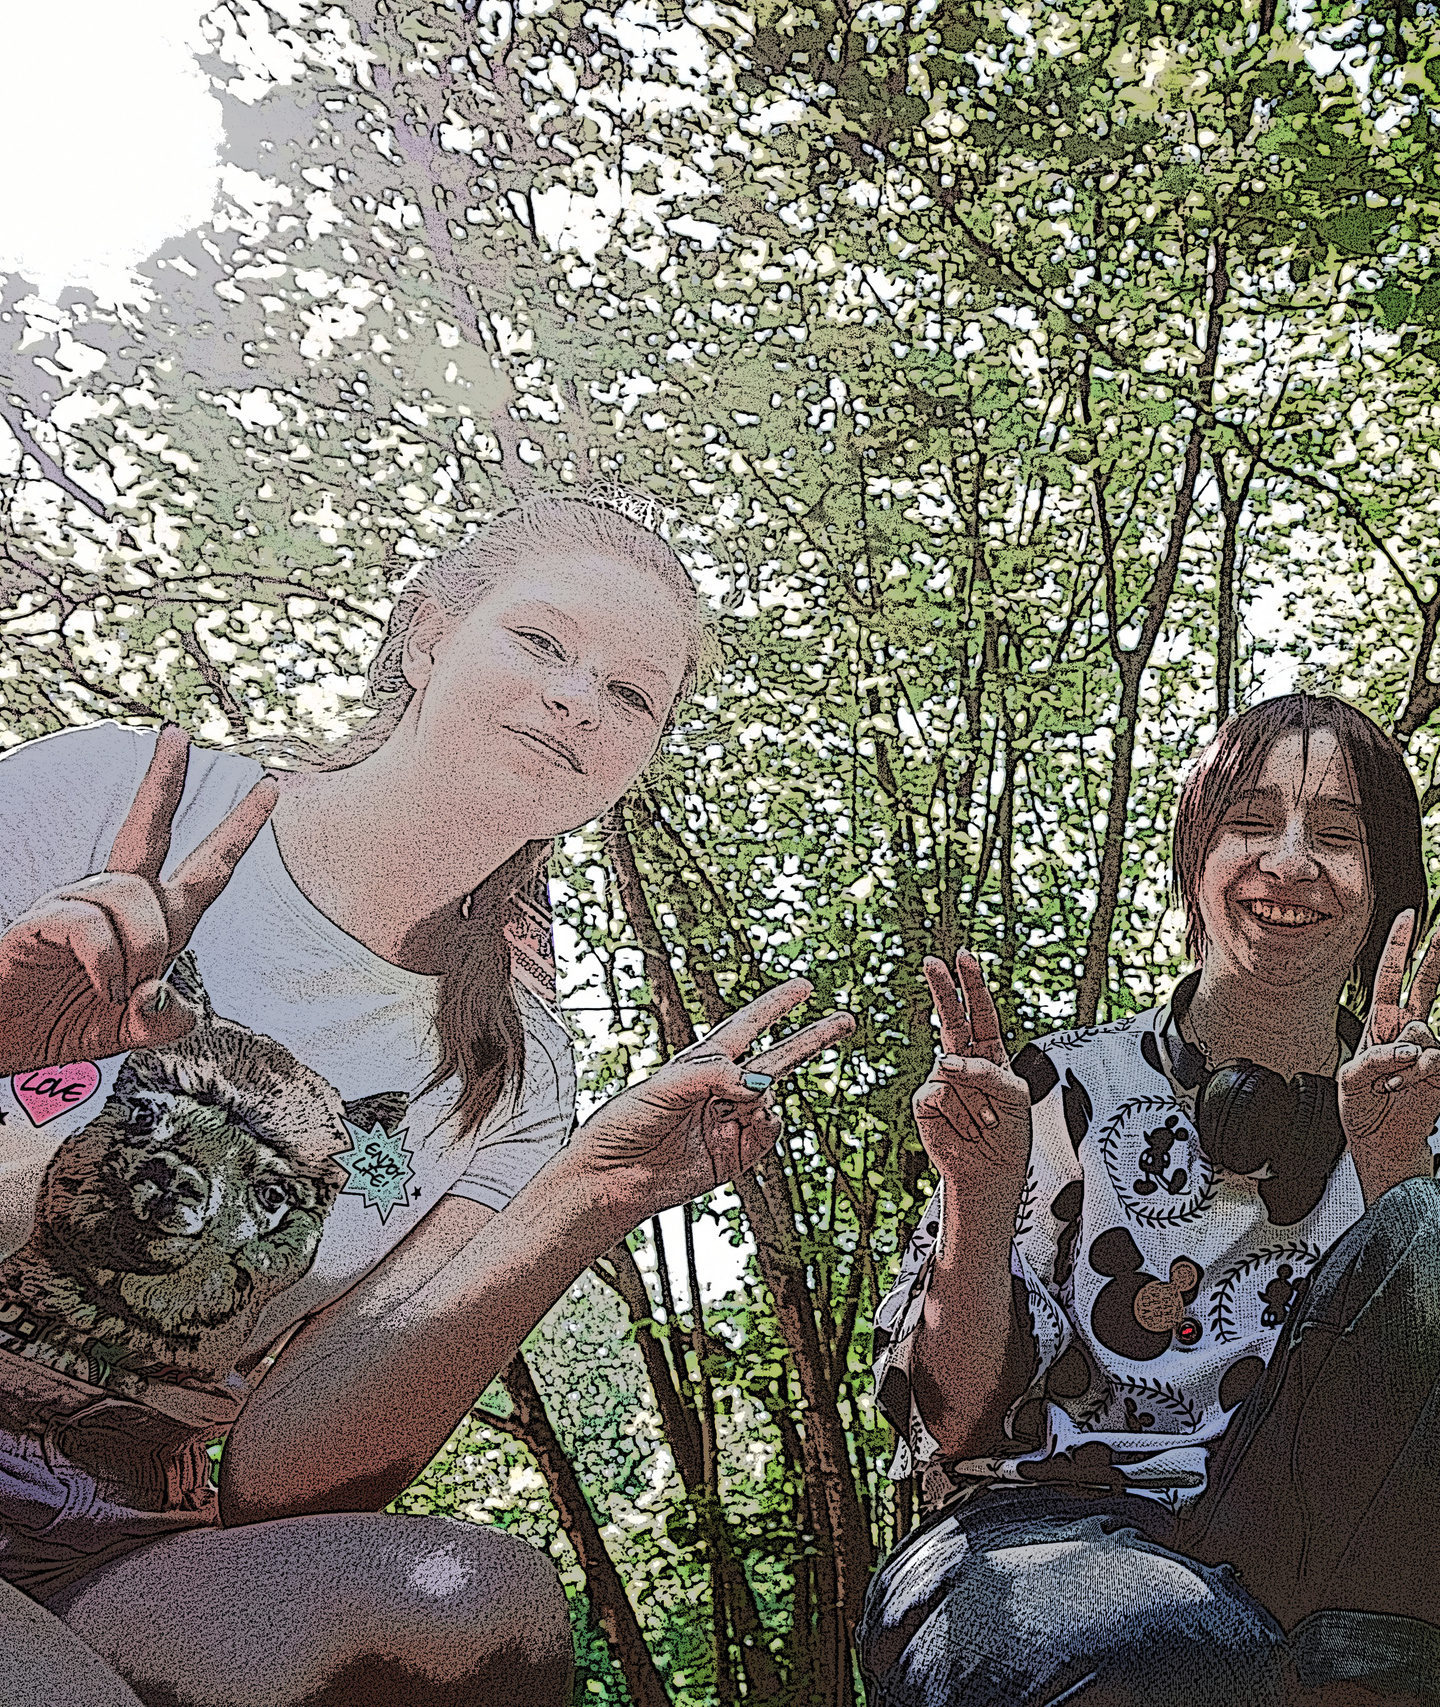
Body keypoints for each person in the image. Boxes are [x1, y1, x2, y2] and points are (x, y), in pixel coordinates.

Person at [0, 495, 854, 1707]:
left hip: (113, 1538)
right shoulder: (126, 800)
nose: (577, 701)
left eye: (630, 696)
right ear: (427, 637)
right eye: (542, 643)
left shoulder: (524, 1070)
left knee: (479, 1608)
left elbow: (285, 1474)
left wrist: (590, 1196)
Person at [858, 693, 1440, 1707]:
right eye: (1251, 821)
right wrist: (979, 1191)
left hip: (1298, 1562)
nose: (1290, 861)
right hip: (1034, 1539)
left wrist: (1391, 1169)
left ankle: (1350, 1676)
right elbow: (956, 1424)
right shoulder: (1055, 1088)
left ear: (1386, 889)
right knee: (1150, 1641)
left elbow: (1439, 1434)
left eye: (1338, 835)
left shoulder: (1414, 1121)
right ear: (1196, 860)